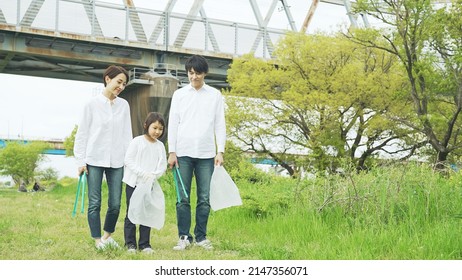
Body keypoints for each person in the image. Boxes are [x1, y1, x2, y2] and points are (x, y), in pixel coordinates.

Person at [167, 55, 226, 251]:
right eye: (191, 73)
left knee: (204, 198)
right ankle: (184, 237)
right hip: (182, 152)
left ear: (205, 73)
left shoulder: (215, 95)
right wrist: (172, 151)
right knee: (182, 198)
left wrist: (221, 151)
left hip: (206, 154)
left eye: (198, 73)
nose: (194, 77)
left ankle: (201, 237)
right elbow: (173, 123)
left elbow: (220, 124)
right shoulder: (179, 95)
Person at [73, 65, 132, 250]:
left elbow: (126, 135)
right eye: (118, 82)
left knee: (115, 203)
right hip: (94, 159)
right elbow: (82, 134)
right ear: (108, 79)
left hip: (117, 161)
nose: (121, 87)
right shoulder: (91, 104)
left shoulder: (124, 105)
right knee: (95, 202)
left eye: (124, 84)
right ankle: (97, 240)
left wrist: (129, 161)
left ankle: (107, 236)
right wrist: (80, 161)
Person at [122, 112, 167, 254]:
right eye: (154, 128)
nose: (157, 132)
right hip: (134, 183)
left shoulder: (160, 146)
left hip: (150, 185)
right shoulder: (137, 141)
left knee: (146, 213)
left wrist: (154, 176)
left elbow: (162, 165)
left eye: (160, 129)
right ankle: (130, 244)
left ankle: (144, 244)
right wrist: (143, 174)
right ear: (146, 126)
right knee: (132, 212)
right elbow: (128, 160)